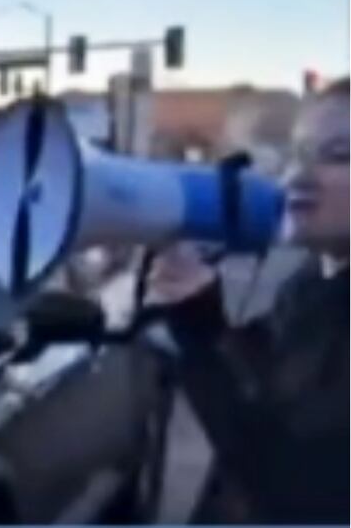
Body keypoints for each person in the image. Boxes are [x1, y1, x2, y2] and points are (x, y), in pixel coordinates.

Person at [147, 76, 349, 523]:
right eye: (299, 154)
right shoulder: (310, 280)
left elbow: (289, 486)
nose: (299, 176)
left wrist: (200, 336)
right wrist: (202, 311)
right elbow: (264, 377)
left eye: (339, 156)